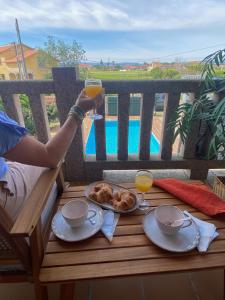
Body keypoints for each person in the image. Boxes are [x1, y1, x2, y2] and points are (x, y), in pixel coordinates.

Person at [0, 90, 104, 222]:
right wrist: (78, 111)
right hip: (5, 202)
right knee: (50, 165)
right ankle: (50, 217)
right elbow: (51, 157)